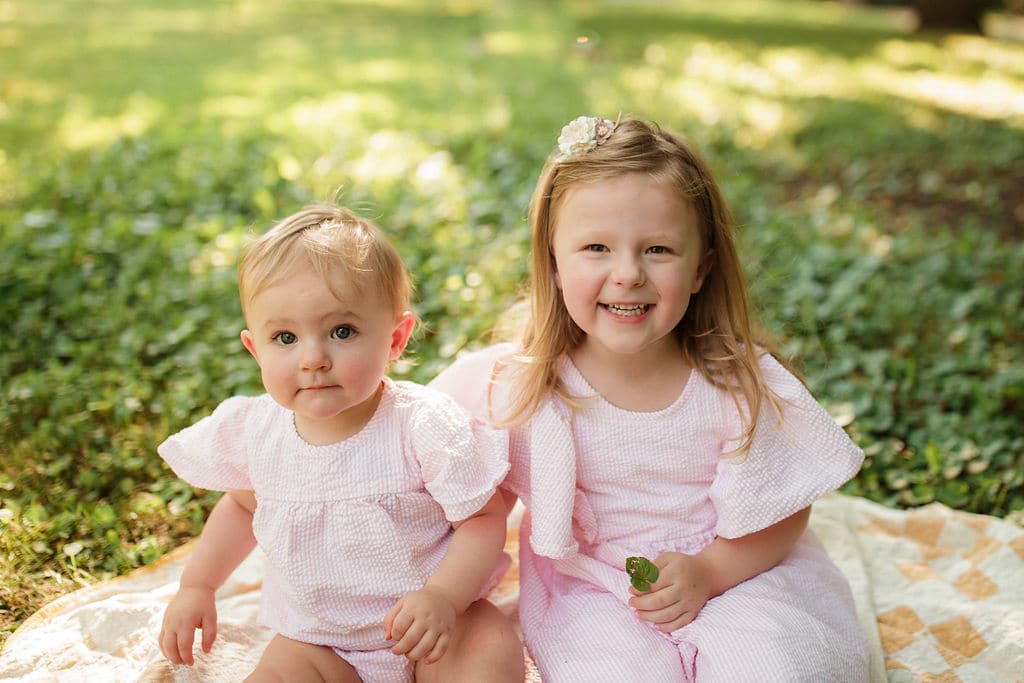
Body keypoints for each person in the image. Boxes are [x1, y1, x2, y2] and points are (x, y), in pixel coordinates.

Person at [431, 116, 871, 681]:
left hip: (737, 569)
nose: (627, 274)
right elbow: (423, 447)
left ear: (700, 269)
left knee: (780, 666)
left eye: (658, 249)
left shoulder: (736, 383)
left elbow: (782, 509)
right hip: (590, 586)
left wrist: (711, 572)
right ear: (555, 263)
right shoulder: (522, 385)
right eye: (596, 248)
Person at [157, 205, 524, 682]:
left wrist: (444, 598)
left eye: (342, 331)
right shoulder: (259, 434)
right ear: (255, 349)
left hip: (435, 627)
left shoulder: (422, 427)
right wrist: (197, 586)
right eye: (285, 337)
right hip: (320, 642)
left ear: (395, 339)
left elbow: (483, 519)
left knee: (487, 652)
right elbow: (241, 509)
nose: (312, 358)